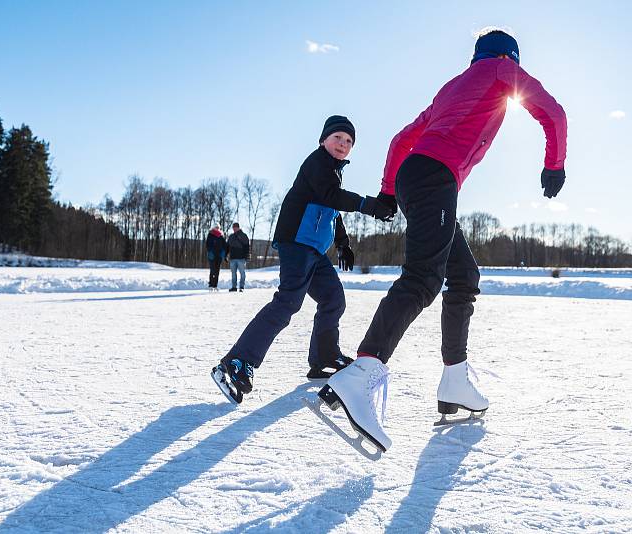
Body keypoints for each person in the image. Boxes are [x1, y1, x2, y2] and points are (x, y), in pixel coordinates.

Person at [320, 28, 568, 452]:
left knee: (464, 276)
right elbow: (553, 112)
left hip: (418, 179)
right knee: (422, 279)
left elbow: (402, 139)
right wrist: (554, 163)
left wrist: (387, 190)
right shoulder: (502, 70)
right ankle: (362, 373)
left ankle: (455, 380)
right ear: (511, 56)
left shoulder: (453, 86)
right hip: (436, 179)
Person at [212, 115, 394, 403]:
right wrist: (368, 205)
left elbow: (331, 210)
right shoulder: (317, 162)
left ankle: (323, 357)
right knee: (288, 302)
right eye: (338, 138)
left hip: (315, 250)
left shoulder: (334, 170)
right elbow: (331, 196)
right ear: (324, 139)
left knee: (333, 298)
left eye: (348, 141)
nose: (343, 144)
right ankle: (235, 363)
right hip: (296, 243)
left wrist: (343, 243)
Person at [227, 222, 250, 292]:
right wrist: (226, 255)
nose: (234, 229)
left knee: (242, 273)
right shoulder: (231, 236)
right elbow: (227, 247)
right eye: (233, 227)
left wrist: (246, 256)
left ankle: (241, 287)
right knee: (233, 274)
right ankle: (234, 287)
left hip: (241, 258)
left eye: (235, 227)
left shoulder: (244, 236)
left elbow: (247, 247)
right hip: (232, 258)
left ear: (238, 227)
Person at [206, 225, 226, 291]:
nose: (217, 228)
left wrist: (223, 253)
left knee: (217, 271)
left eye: (218, 228)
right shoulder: (210, 234)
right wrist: (210, 251)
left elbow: (224, 245)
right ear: (213, 228)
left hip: (219, 256)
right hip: (212, 256)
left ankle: (215, 285)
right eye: (216, 227)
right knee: (213, 270)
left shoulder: (221, 236)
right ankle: (211, 285)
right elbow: (207, 245)